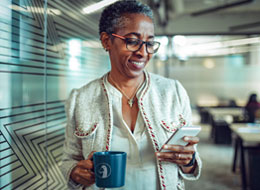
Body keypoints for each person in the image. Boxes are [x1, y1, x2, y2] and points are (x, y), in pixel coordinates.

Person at [60, 1, 201, 189]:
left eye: (149, 43)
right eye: (133, 41)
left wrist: (189, 162)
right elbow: (69, 160)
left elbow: (191, 162)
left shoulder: (173, 92)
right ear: (106, 41)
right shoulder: (81, 98)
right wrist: (75, 173)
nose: (143, 52)